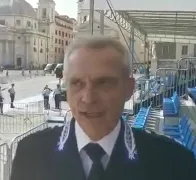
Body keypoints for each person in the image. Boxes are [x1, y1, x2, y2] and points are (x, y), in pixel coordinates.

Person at [10, 37, 196, 180]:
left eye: (104, 83)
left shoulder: (174, 163)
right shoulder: (30, 153)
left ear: (129, 88)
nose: (89, 98)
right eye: (77, 83)